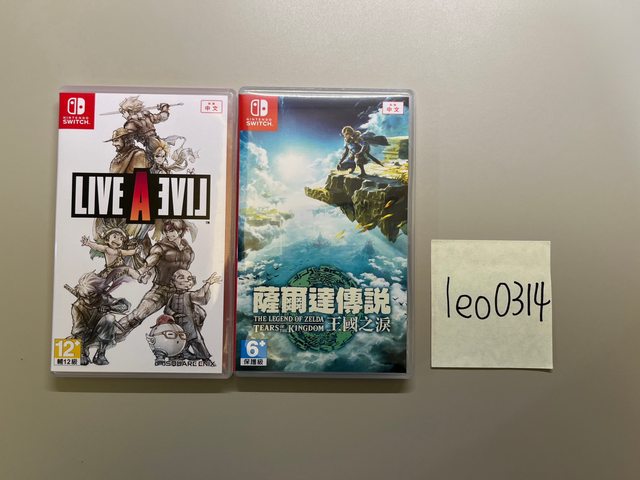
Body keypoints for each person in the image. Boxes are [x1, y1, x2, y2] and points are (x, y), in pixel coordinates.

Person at [114, 219, 196, 340]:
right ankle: (112, 335)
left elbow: (185, 271)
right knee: (139, 314)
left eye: (172, 231)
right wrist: (140, 272)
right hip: (160, 290)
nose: (168, 234)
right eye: (166, 231)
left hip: (179, 293)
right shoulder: (160, 247)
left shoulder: (189, 251)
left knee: (187, 322)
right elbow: (149, 263)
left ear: (180, 231)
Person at [66, 271, 131, 365]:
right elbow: (78, 328)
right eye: (85, 296)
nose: (89, 300)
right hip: (84, 335)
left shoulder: (104, 298)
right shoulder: (77, 306)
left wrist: (110, 307)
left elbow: (124, 306)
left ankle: (101, 353)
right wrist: (82, 351)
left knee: (109, 318)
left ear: (98, 291)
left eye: (92, 295)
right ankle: (83, 353)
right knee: (82, 358)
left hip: (102, 333)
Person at [164, 270, 222, 365]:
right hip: (176, 325)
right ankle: (180, 355)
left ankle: (205, 358)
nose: (186, 281)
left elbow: (200, 294)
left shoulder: (189, 295)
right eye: (181, 277)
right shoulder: (172, 296)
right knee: (178, 341)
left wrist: (208, 283)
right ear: (173, 282)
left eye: (189, 278)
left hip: (189, 323)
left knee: (196, 340)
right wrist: (173, 314)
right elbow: (167, 309)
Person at [80, 228, 144, 282]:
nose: (117, 240)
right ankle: (140, 278)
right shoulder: (106, 248)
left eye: (121, 239)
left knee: (129, 270)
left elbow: (128, 252)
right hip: (111, 270)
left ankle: (140, 277)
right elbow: (97, 246)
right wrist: (89, 243)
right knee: (128, 270)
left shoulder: (119, 251)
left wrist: (135, 251)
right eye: (115, 237)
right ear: (107, 240)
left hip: (120, 269)